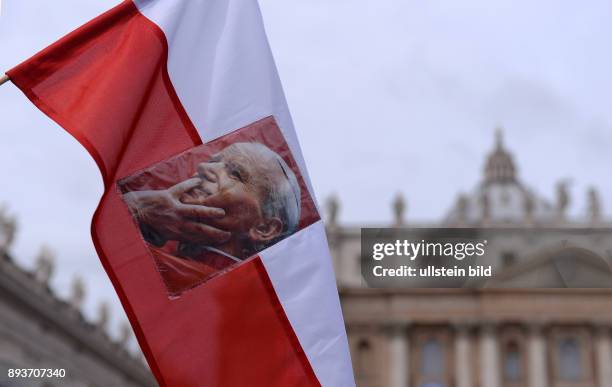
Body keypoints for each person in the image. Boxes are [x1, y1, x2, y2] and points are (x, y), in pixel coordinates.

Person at [123, 142, 301, 294]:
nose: (204, 167)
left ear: (264, 228)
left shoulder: (171, 275)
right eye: (213, 161)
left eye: (235, 173)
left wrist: (136, 210)